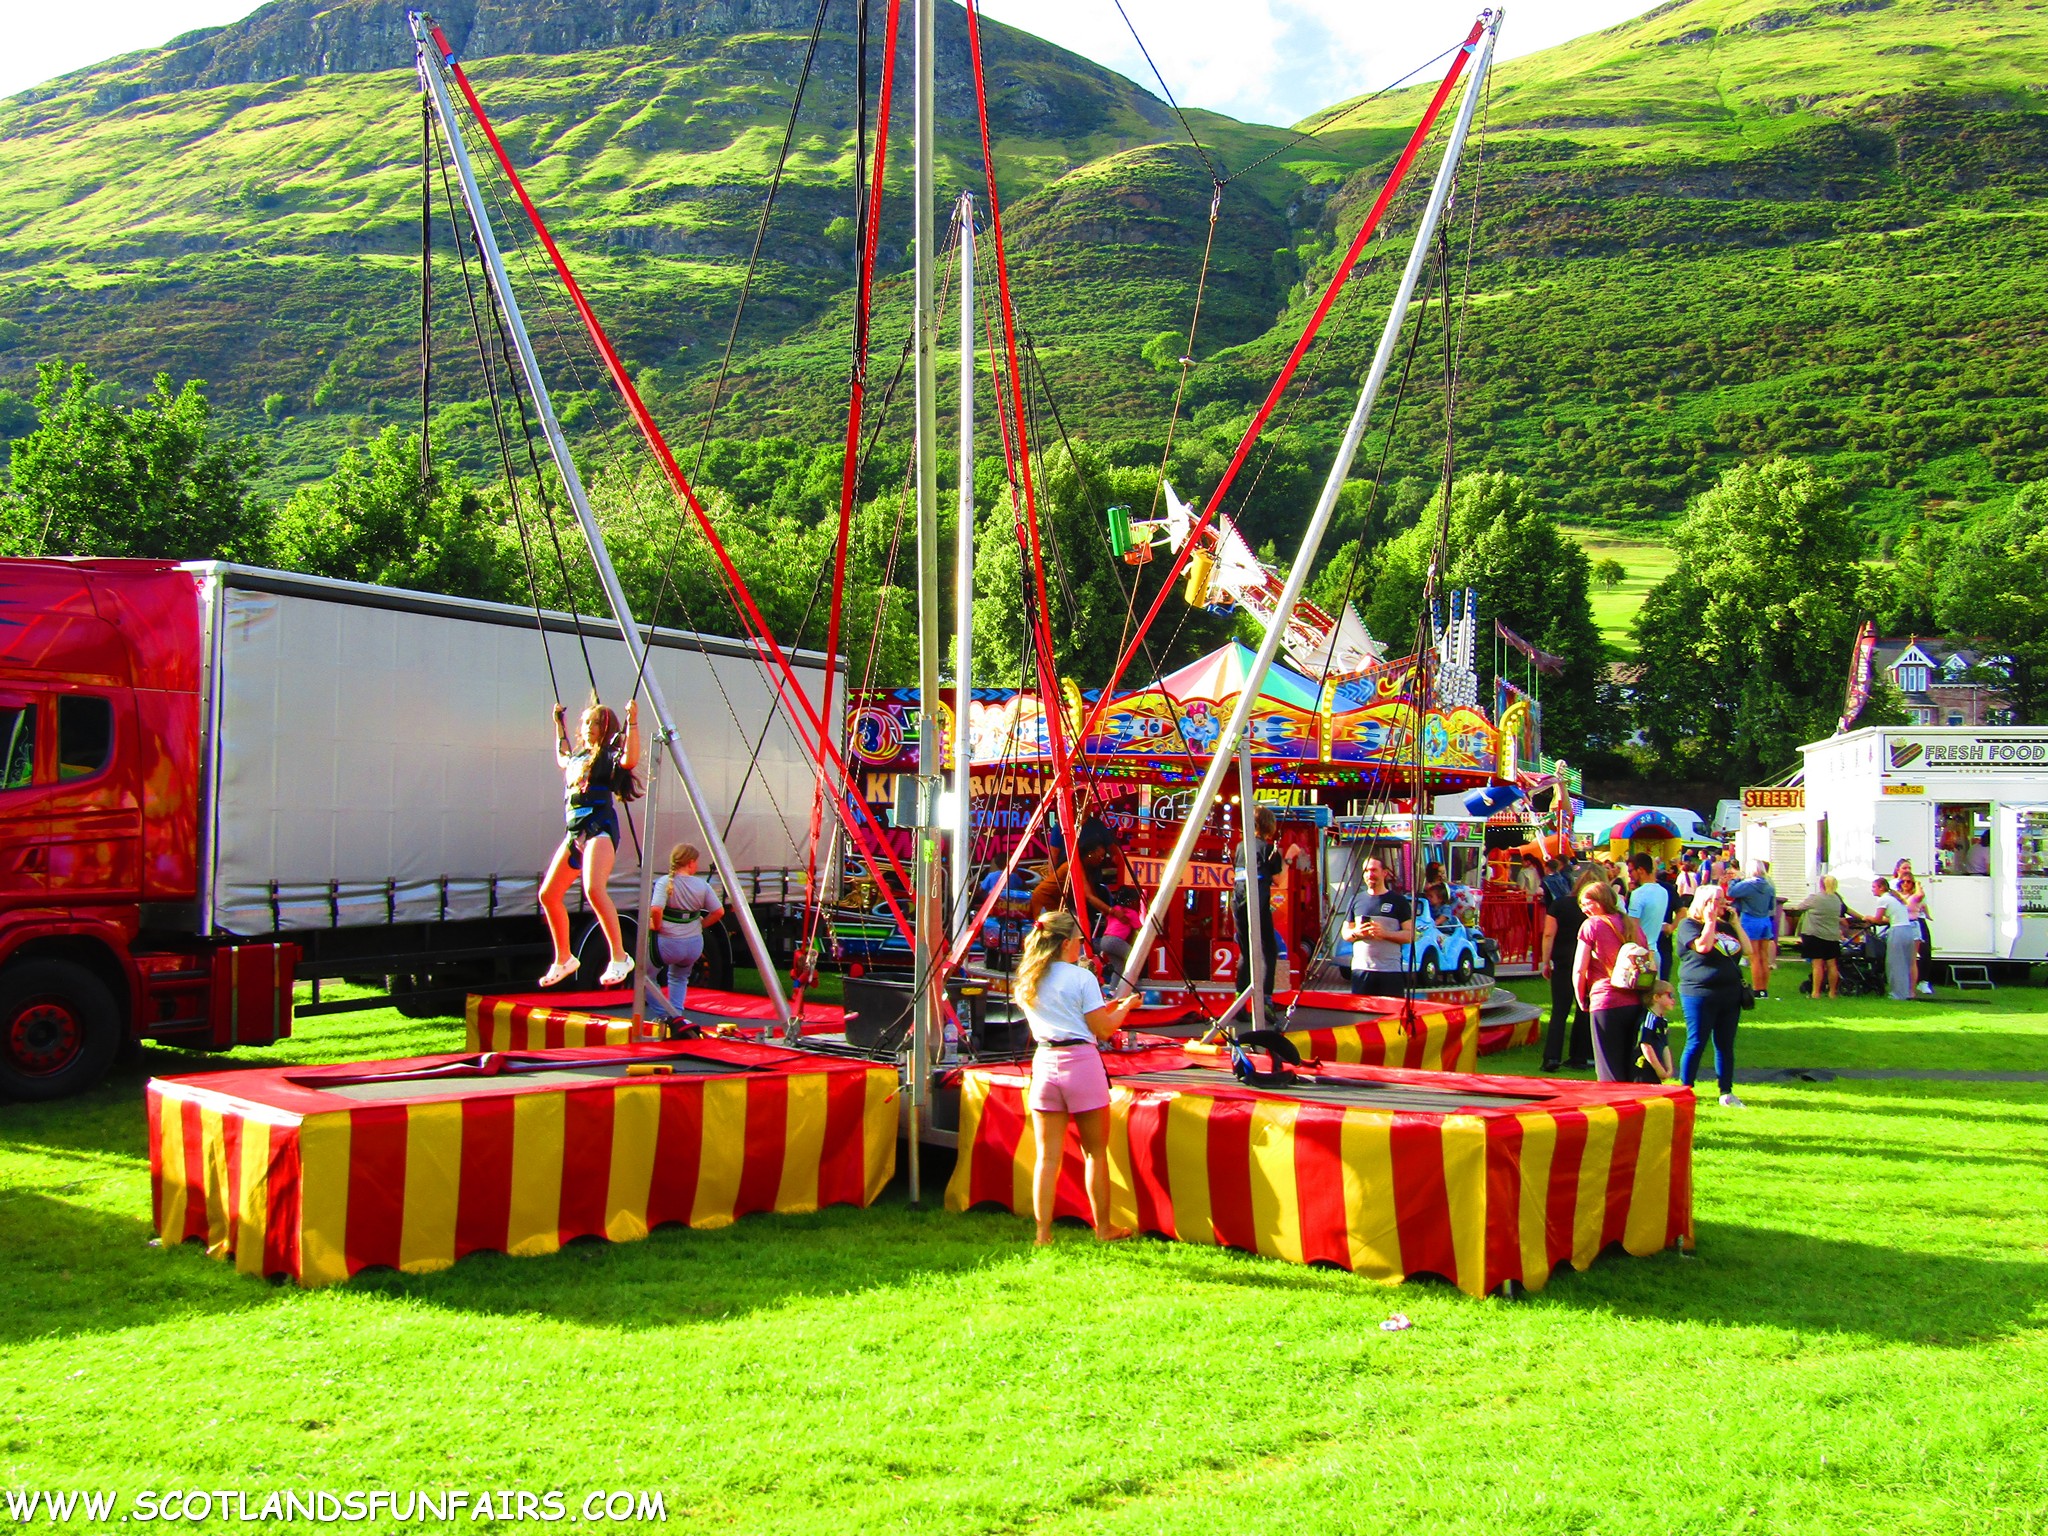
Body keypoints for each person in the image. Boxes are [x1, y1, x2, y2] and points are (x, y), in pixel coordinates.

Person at [1013, 910, 1140, 1246]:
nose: (1083, 948)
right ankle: (1103, 1229)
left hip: (1045, 1062)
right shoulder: (1081, 978)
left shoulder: (1029, 977)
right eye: (1080, 942)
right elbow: (1101, 1029)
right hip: (1080, 1063)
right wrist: (1125, 1008)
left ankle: (1043, 1234)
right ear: (1066, 943)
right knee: (1095, 1152)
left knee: (1047, 1156)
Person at [539, 698, 640, 988]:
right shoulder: (577, 758)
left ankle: (620, 957)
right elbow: (562, 755)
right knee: (548, 895)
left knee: (594, 889)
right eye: (586, 722)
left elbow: (629, 760)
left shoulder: (607, 756)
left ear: (606, 728)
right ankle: (564, 958)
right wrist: (559, 726)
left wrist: (632, 721)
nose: (589, 727)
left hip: (600, 831)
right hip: (575, 834)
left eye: (595, 722)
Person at [1573, 880, 1651, 1082]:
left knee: (1608, 1067)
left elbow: (1580, 969)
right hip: (1634, 1000)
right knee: (1628, 1062)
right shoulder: (1631, 924)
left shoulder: (1592, 925)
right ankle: (1631, 1108)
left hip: (1605, 1000)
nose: (1583, 909)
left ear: (1599, 902)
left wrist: (1581, 997)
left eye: (1586, 903)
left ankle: (1612, 1109)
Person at [650, 843, 724, 1018]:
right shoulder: (702, 886)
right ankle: (676, 1017)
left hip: (668, 943)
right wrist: (701, 925)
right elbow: (719, 912)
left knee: (646, 977)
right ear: (690, 862)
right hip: (693, 945)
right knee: (679, 978)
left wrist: (658, 926)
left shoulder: (664, 883)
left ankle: (665, 1016)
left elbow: (656, 909)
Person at [1539, 862, 1595, 1071]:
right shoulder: (1595, 909)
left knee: (1560, 1010)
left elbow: (1548, 934)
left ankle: (1551, 1057)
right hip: (1588, 962)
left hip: (1562, 962)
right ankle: (1580, 1055)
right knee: (1584, 1008)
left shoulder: (1560, 905)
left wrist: (1546, 961)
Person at [1231, 806, 1282, 1001]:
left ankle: (1239, 997)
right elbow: (1279, 880)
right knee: (1269, 949)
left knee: (1247, 951)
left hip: (1239, 901)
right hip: (1258, 902)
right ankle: (1266, 998)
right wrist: (1287, 858)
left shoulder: (1240, 847)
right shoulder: (1268, 849)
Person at [1344, 856, 1414, 998]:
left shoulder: (1398, 901)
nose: (1370, 875)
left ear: (1384, 873)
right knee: (1362, 1016)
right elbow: (1345, 933)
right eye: (1366, 871)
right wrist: (1357, 933)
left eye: (1374, 870)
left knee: (1390, 1018)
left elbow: (1411, 935)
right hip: (1361, 971)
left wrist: (1385, 934)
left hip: (1390, 972)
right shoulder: (1355, 900)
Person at [1786, 875, 1847, 1001]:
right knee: (1832, 964)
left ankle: (1815, 992)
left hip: (1815, 935)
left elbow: (1800, 907)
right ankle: (1832, 992)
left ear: (1821, 885)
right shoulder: (1837, 900)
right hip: (1832, 935)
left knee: (1817, 965)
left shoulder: (1815, 898)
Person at [1728, 859, 1779, 998]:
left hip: (1750, 919)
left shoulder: (1748, 884)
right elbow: (1771, 906)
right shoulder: (1769, 885)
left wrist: (1735, 879)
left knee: (1754, 957)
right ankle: (1764, 990)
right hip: (1765, 920)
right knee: (1764, 956)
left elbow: (1732, 892)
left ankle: (1757, 990)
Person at [1626, 852, 1673, 980]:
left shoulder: (1638, 894)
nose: (1629, 876)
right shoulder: (1663, 892)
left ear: (1640, 870)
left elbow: (1633, 927)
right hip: (1655, 952)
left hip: (1640, 954)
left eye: (1631, 871)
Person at [1869, 877, 1917, 1001]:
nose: (1872, 890)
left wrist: (1867, 918)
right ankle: (1905, 992)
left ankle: (1897, 994)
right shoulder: (1895, 899)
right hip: (1908, 930)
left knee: (1894, 963)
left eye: (1874, 887)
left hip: (1898, 931)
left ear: (1882, 887)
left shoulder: (1883, 899)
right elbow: (1890, 918)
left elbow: (1878, 919)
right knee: (1905, 963)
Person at [1897, 873, 1934, 996]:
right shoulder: (1898, 896)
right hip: (1900, 926)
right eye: (1903, 882)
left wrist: (1917, 884)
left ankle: (1914, 988)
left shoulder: (1914, 897)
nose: (1906, 884)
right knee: (1901, 957)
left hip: (1913, 925)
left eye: (1909, 882)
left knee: (1914, 957)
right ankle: (1902, 986)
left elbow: (1922, 902)